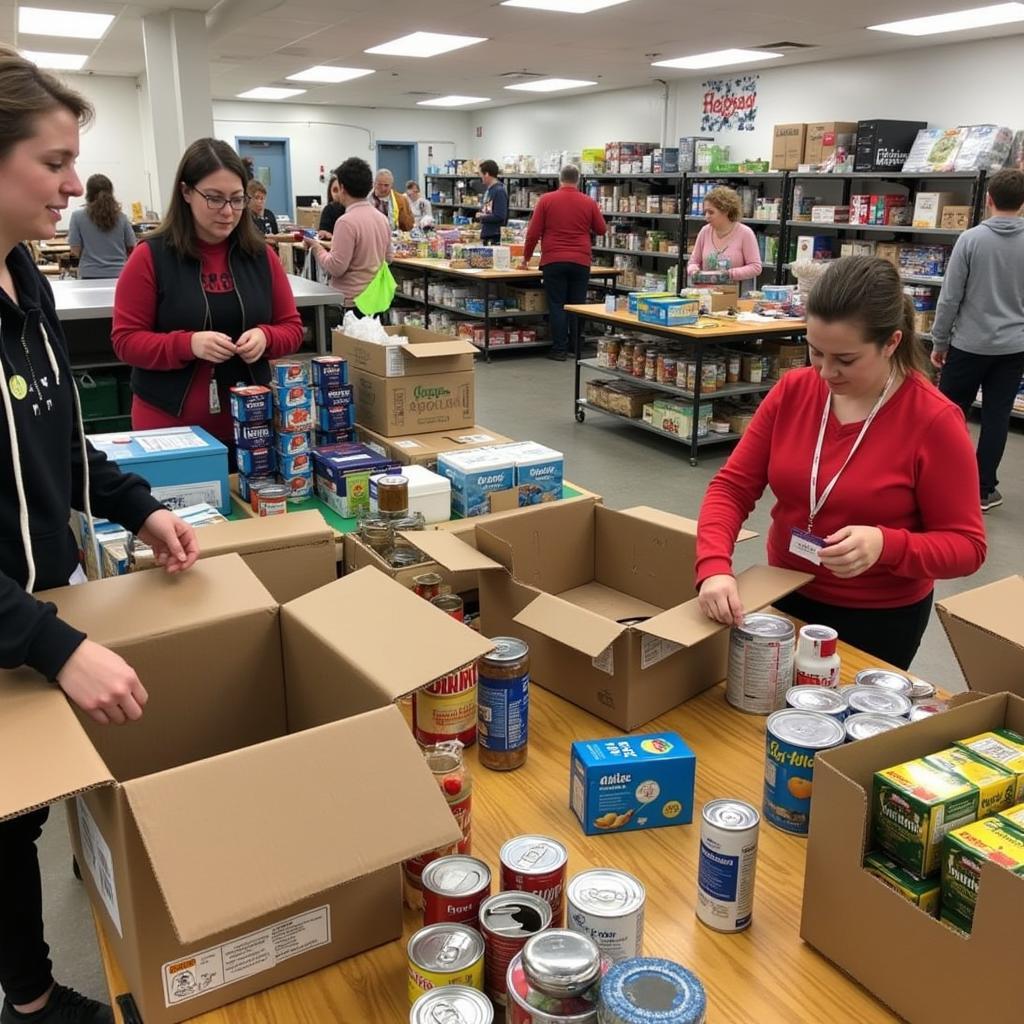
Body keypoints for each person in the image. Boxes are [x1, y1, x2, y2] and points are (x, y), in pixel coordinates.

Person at [0, 46, 200, 1024]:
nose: (76, 184)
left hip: (35, 601)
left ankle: (28, 988)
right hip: (14, 622)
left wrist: (139, 506)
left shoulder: (22, 284)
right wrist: (56, 646)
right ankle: (30, 1001)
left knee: (19, 817)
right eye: (53, 161)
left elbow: (61, 443)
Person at [695, 256, 986, 670]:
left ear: (891, 343)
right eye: (815, 351)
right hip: (783, 594)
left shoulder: (933, 420)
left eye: (845, 360)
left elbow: (967, 547)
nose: (826, 371)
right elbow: (731, 487)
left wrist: (887, 545)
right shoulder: (794, 391)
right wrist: (713, 567)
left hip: (878, 620)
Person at [111, 138, 303, 448]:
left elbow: (292, 328)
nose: (228, 211)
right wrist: (188, 344)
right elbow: (126, 341)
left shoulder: (261, 257)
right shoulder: (150, 257)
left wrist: (267, 337)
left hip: (251, 428)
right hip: (170, 430)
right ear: (186, 192)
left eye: (237, 199)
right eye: (214, 198)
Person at [930, 168, 1024, 513]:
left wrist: (939, 341)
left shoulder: (970, 240)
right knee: (997, 417)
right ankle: (984, 490)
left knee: (948, 414)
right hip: (1014, 347)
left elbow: (950, 298)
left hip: (968, 344)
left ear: (988, 199)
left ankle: (939, 483)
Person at [520, 164, 606, 362]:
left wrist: (526, 258)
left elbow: (533, 233)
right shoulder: (589, 202)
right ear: (578, 179)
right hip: (580, 261)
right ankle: (576, 348)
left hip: (553, 260)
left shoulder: (546, 200)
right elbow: (601, 229)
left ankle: (559, 349)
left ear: (560, 179)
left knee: (557, 305)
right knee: (577, 305)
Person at [303, 157, 393, 311]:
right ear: (370, 186)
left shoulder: (346, 222)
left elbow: (336, 267)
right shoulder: (382, 219)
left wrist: (316, 247)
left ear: (343, 188)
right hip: (375, 301)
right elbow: (389, 258)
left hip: (351, 304)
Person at [686, 185, 762, 293]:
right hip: (706, 296)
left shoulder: (745, 233)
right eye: (705, 212)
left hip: (735, 297)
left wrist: (729, 274)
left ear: (725, 211)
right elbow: (693, 262)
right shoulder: (705, 232)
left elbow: (755, 267)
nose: (706, 216)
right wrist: (694, 271)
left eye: (711, 212)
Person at [66, 173, 135, 279]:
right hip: (120, 274)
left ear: (88, 193)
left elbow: (75, 250)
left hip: (89, 273)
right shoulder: (122, 217)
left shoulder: (77, 216)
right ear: (111, 192)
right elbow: (131, 246)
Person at [476, 160, 507, 245]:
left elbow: (500, 216)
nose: (480, 177)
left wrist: (482, 217)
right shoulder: (489, 190)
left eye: (481, 174)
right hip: (486, 235)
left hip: (494, 237)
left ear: (486, 174)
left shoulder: (499, 191)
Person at [317, 175, 345, 240]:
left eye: (341, 189)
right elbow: (322, 231)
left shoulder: (351, 209)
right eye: (335, 190)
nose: (338, 193)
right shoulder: (328, 209)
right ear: (330, 192)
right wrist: (325, 234)